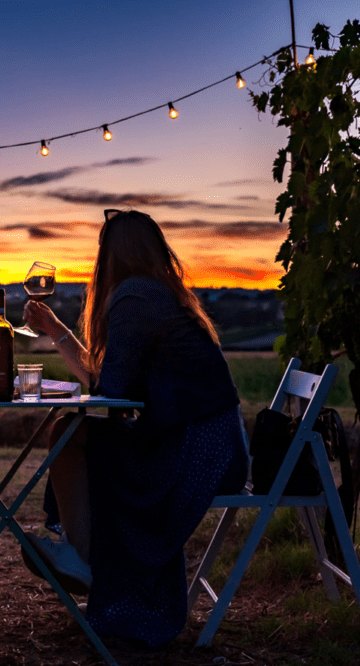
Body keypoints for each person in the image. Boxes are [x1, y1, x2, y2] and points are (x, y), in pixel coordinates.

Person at [20, 208, 249, 647]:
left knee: (70, 433)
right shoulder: (155, 293)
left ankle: (81, 557)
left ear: (110, 255)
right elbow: (107, 381)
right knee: (72, 432)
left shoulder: (134, 297)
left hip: (198, 451)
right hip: (209, 441)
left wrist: (71, 358)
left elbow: (109, 388)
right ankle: (80, 555)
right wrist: (55, 328)